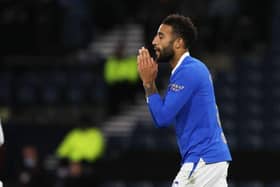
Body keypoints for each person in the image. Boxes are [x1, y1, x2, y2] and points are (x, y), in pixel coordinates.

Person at [137, 14, 232, 187]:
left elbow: (162, 118)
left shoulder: (188, 71)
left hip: (203, 159)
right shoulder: (190, 69)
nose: (153, 42)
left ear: (178, 43)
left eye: (161, 36)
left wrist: (149, 83)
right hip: (212, 159)